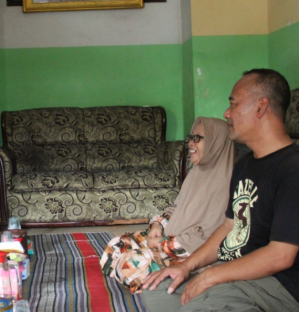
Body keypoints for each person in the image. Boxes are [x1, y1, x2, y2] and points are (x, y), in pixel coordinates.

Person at [140, 69, 299, 312]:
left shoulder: (296, 170)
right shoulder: (246, 164)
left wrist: (211, 276)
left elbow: (281, 256)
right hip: (241, 277)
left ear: (261, 106)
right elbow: (227, 228)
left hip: (280, 287)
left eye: (233, 103)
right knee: (156, 293)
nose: (226, 112)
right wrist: (187, 267)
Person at [100, 117, 234, 293]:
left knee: (129, 264)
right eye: (190, 137)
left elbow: (209, 238)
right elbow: (177, 208)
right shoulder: (197, 173)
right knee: (116, 244)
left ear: (217, 143)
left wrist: (162, 244)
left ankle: (179, 283)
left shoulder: (228, 184)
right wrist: (158, 223)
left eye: (198, 138)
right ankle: (150, 279)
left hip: (190, 253)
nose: (190, 144)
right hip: (171, 237)